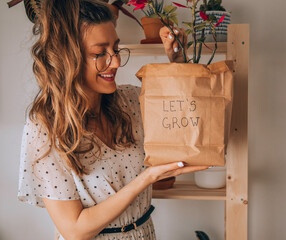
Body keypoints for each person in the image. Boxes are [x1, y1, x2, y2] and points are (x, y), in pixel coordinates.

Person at [17, 0, 209, 239]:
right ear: (68, 57)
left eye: (116, 49)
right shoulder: (44, 127)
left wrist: (178, 64)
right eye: (100, 53)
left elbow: (187, 119)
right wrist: (147, 178)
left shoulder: (130, 100)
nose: (116, 62)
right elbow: (74, 230)